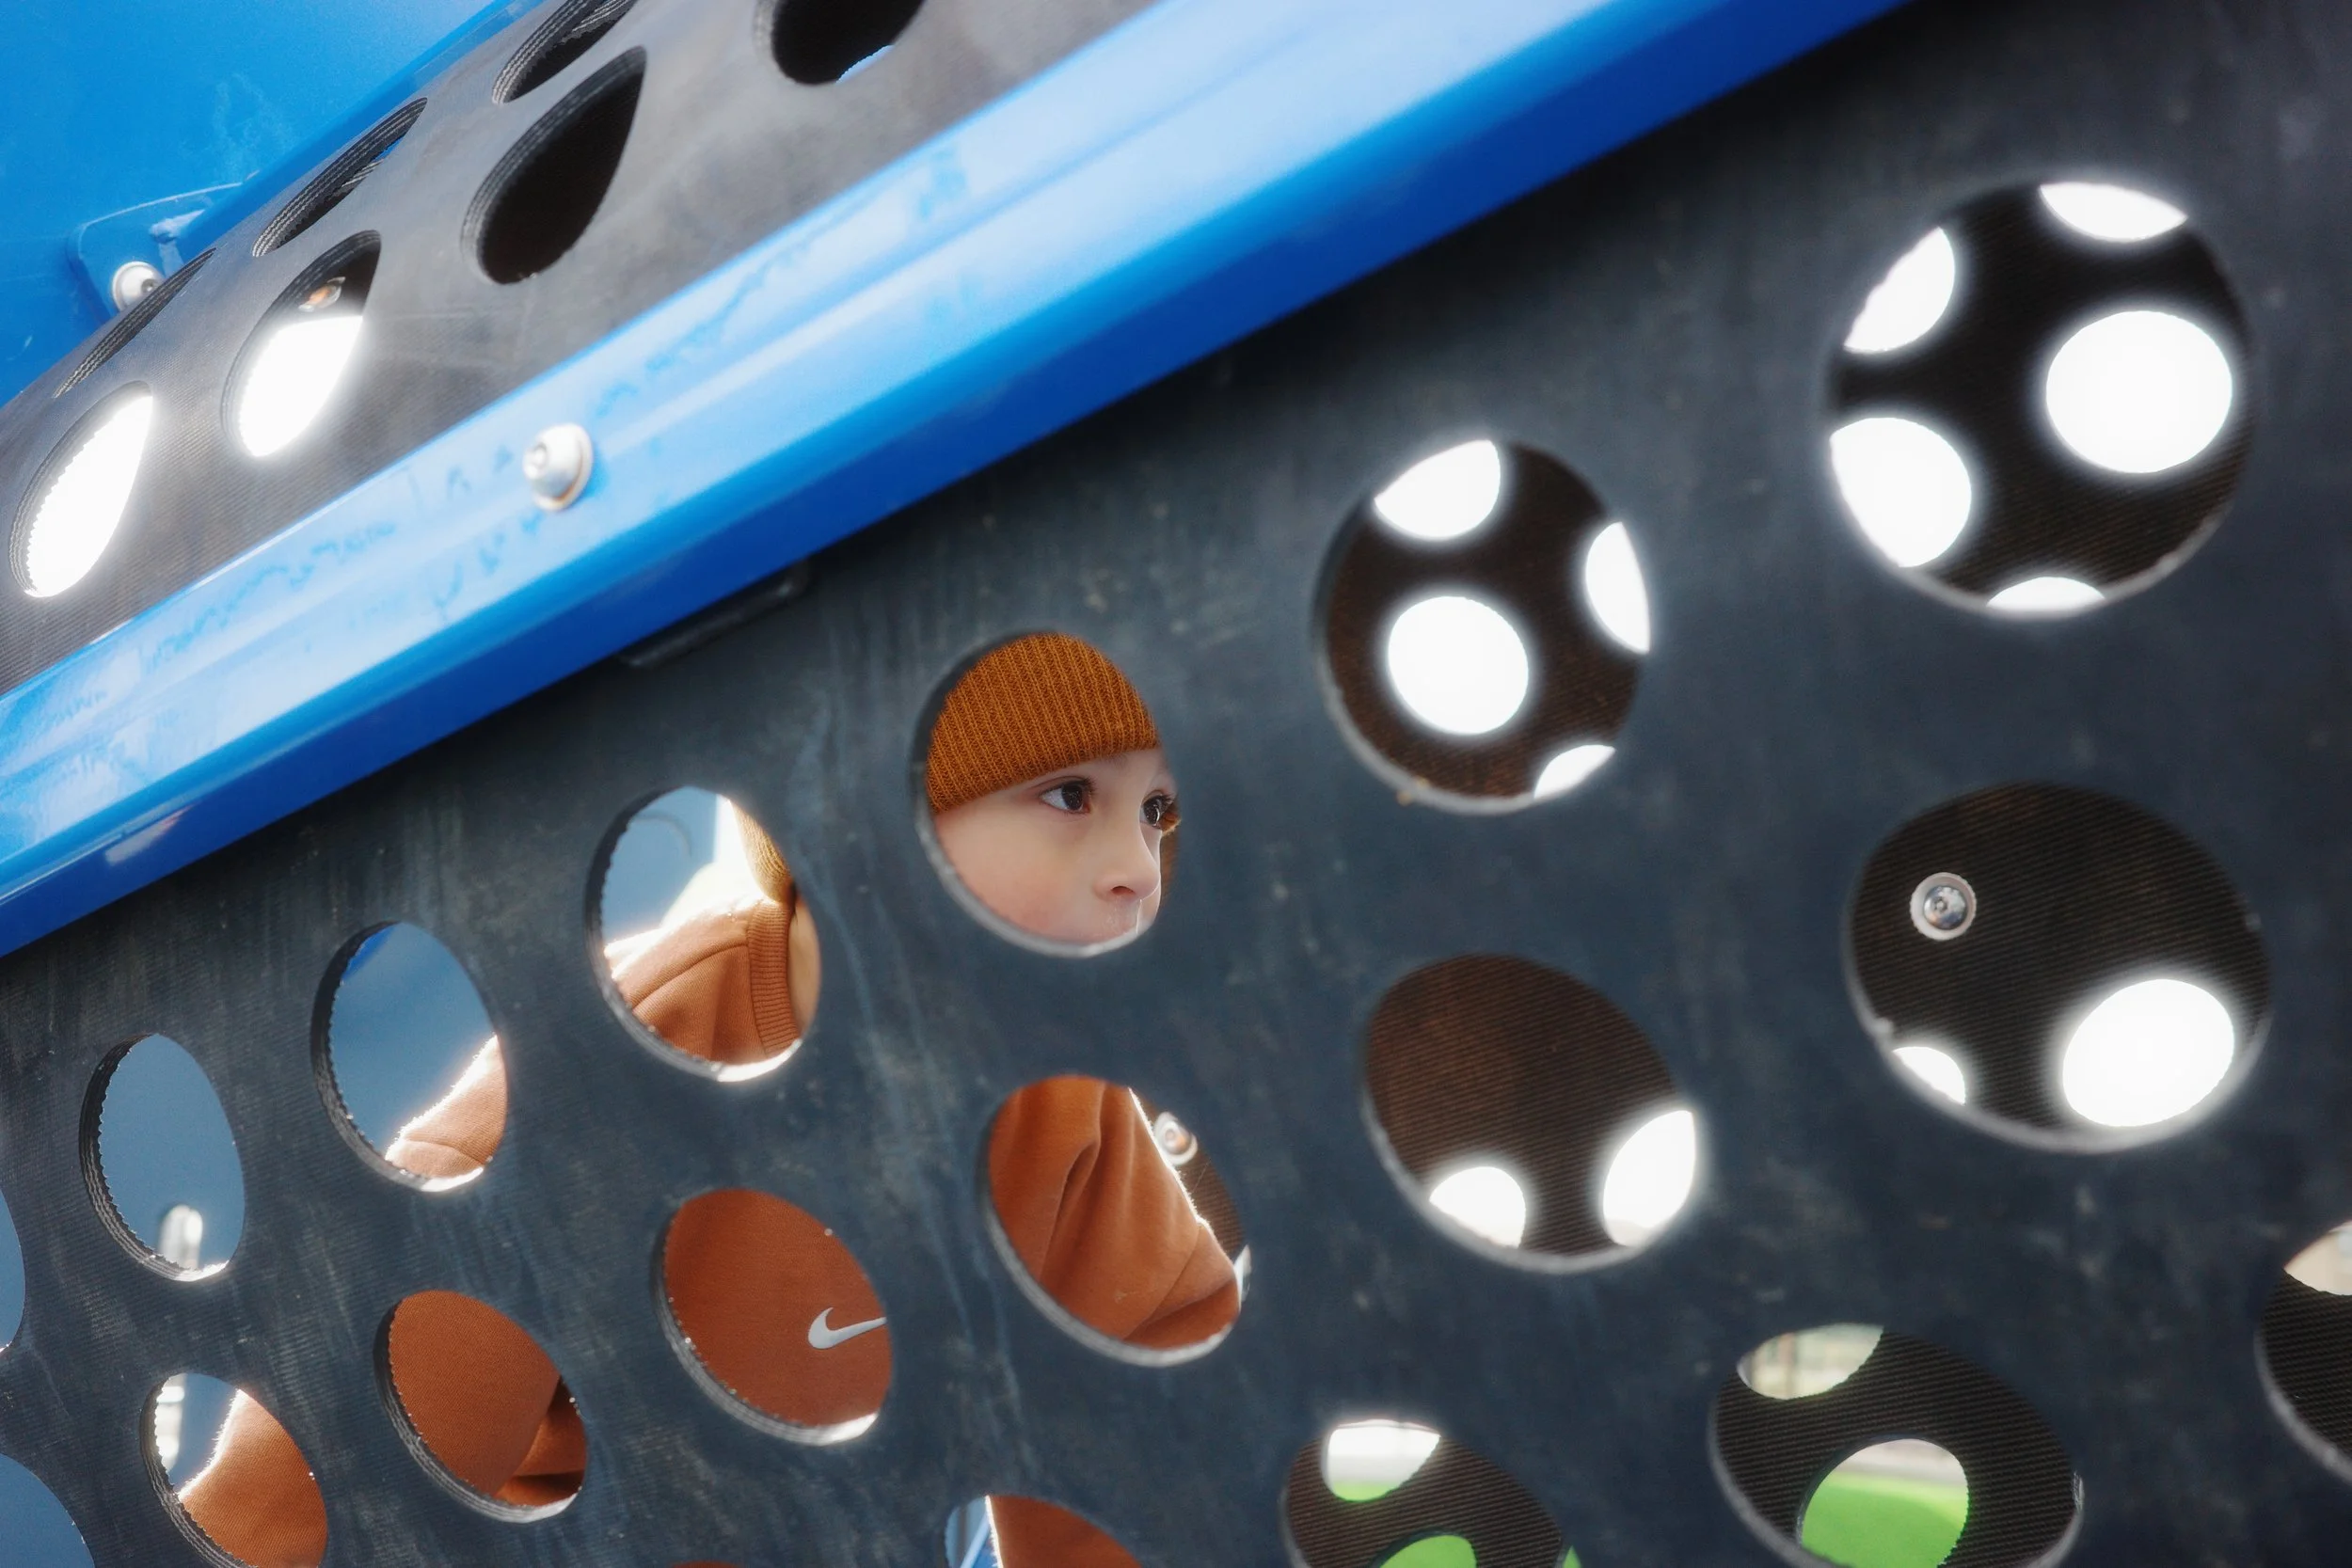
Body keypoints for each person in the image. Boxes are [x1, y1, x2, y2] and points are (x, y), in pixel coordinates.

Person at [179, 633, 1237, 1568]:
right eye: (1070, 796)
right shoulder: (636, 1040)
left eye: (1156, 810)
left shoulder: (1066, 1104)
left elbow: (1137, 1410)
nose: (1138, 869)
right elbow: (375, 1380)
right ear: (862, 802)